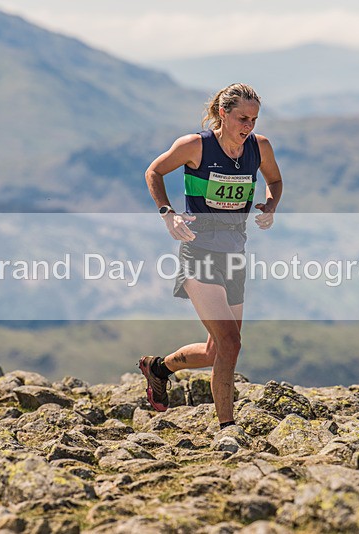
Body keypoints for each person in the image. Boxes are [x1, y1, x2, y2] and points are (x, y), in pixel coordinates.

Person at [139, 82, 283, 432]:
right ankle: (227, 430)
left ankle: (159, 369)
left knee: (214, 350)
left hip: (234, 253)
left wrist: (271, 205)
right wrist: (167, 212)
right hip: (198, 252)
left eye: (254, 119)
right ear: (223, 113)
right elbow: (154, 171)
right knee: (231, 343)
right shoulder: (195, 146)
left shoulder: (259, 148)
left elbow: (275, 181)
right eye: (242, 118)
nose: (249, 126)